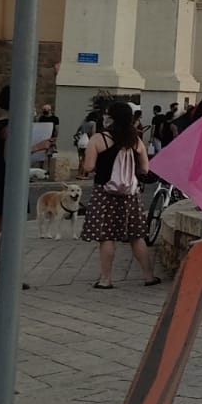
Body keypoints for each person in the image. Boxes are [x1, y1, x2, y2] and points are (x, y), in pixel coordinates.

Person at [0, 85, 52, 292]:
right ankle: (6, 275)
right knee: (8, 229)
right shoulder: (11, 126)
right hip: (8, 182)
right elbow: (13, 156)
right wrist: (38, 147)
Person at [81, 100, 158, 289]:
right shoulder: (135, 139)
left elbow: (89, 167)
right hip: (129, 194)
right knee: (136, 235)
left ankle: (105, 279)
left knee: (106, 236)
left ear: (111, 117)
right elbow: (145, 168)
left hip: (104, 192)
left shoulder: (99, 139)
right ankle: (148, 276)